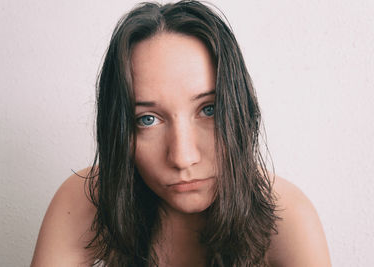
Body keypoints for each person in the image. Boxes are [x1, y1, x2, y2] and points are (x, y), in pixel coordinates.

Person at [31, 1, 331, 266]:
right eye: (147, 119)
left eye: (209, 110)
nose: (183, 157)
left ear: (242, 110)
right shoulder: (86, 200)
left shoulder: (286, 216)